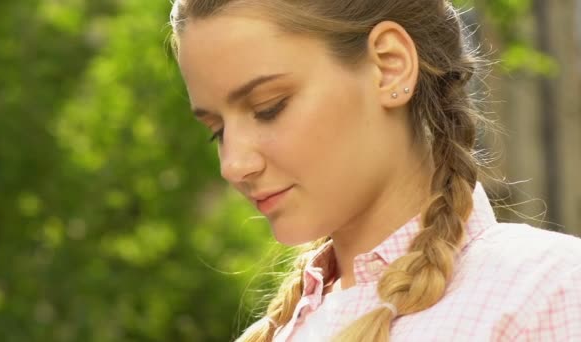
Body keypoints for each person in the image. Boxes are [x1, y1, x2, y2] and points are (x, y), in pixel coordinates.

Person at [167, 0, 581, 341]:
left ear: (388, 65)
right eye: (216, 132)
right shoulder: (282, 330)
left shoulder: (547, 293)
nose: (233, 165)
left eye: (268, 108)